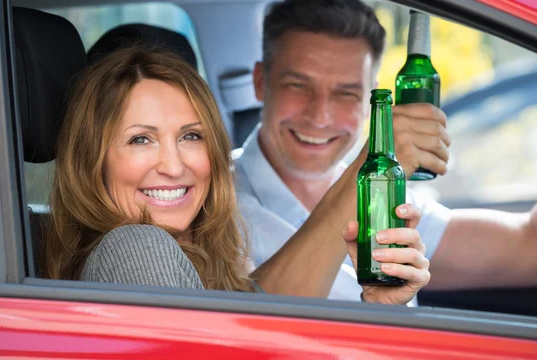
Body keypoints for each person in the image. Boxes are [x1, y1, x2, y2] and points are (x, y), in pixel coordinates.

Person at [234, 0, 537, 301]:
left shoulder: (389, 199)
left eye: (346, 93)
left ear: (369, 98)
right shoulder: (208, 198)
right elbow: (248, 327)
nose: (320, 116)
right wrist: (368, 168)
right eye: (298, 85)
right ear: (261, 82)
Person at [43, 45, 430, 306]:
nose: (175, 166)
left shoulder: (210, 264)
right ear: (91, 161)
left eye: (191, 136)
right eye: (141, 139)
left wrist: (378, 306)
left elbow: (265, 325)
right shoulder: (137, 251)